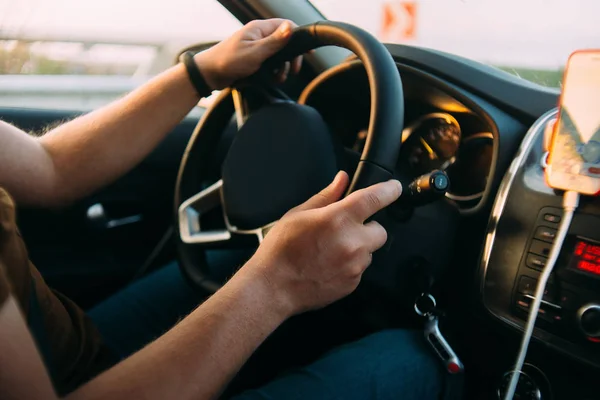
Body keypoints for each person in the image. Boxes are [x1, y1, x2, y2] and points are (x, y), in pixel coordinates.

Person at [0, 19, 461, 399]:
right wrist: (276, 283)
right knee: (423, 358)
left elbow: (50, 168)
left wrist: (199, 75)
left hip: (67, 352)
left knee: (240, 256)